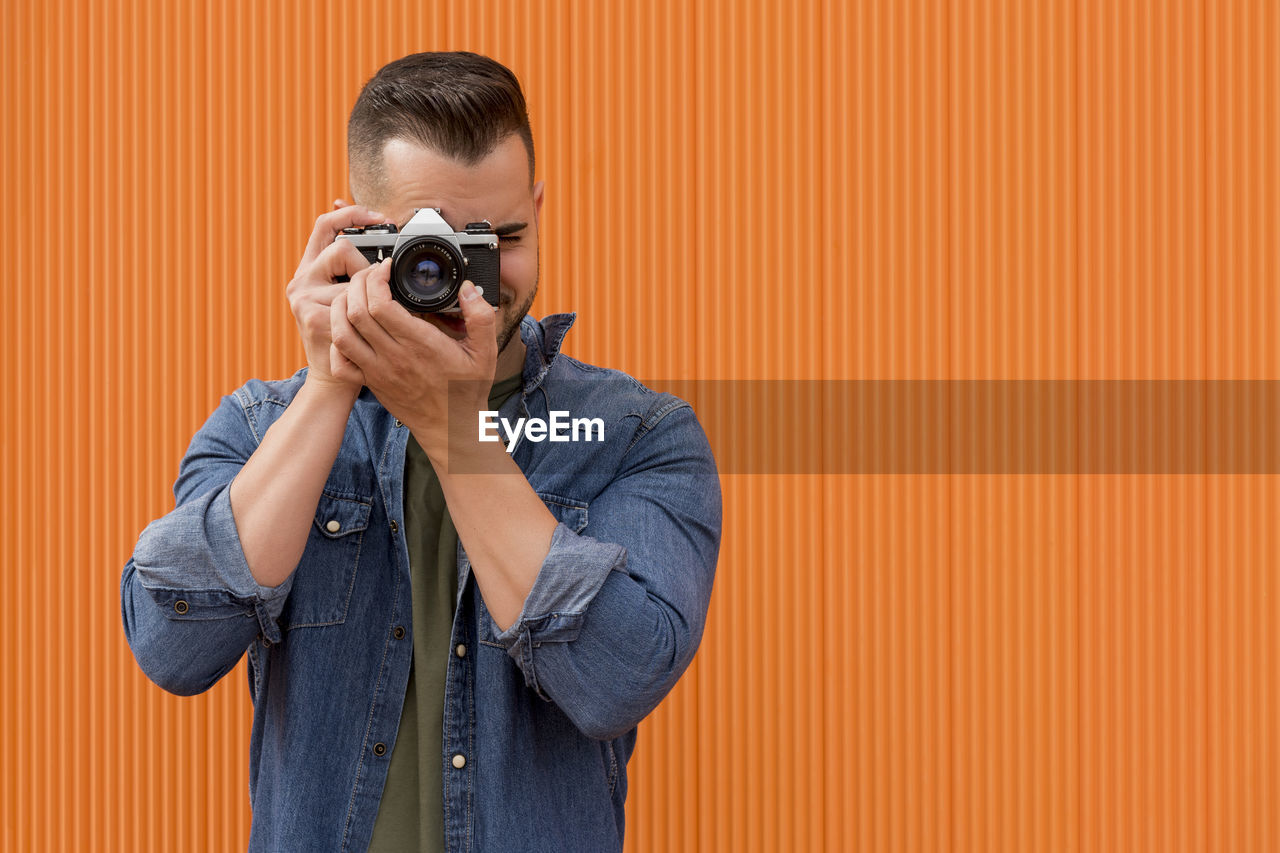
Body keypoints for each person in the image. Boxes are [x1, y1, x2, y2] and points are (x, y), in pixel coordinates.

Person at [120, 51, 721, 852]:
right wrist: (331, 381)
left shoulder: (639, 437)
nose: (466, 283)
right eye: (429, 251)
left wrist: (452, 428)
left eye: (500, 237)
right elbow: (170, 644)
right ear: (356, 236)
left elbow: (617, 677)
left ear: (540, 209)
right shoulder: (263, 424)